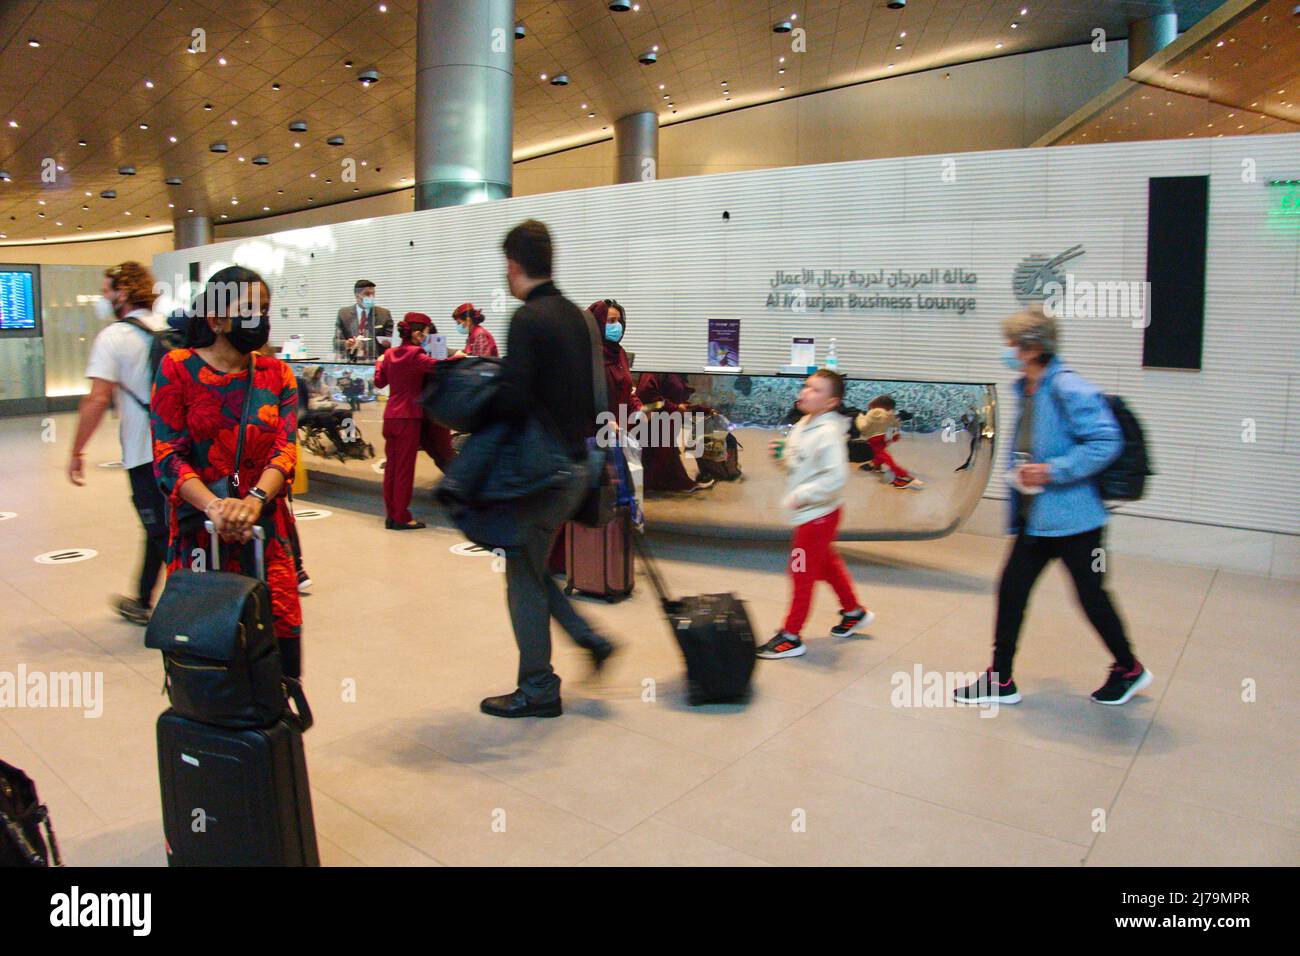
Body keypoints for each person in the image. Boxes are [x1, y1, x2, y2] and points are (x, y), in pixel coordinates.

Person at [953, 306, 1152, 706]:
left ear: (1030, 347)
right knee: (1011, 591)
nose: (1007, 350)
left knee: (1092, 595)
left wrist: (1052, 471)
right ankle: (1000, 678)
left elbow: (1105, 441)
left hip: (1078, 522)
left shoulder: (1068, 387)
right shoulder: (1027, 387)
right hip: (1036, 519)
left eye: (1012, 343)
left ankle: (1128, 667)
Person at [478, 219, 617, 719]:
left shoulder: (527, 319)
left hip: (541, 473)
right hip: (579, 465)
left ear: (513, 266)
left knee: (522, 575)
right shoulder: (580, 318)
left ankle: (538, 686)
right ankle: (589, 639)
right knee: (533, 566)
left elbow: (513, 402)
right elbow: (598, 397)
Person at [151, 266, 305, 680]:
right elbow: (168, 454)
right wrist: (216, 506)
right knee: (206, 661)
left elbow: (284, 450)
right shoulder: (177, 368)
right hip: (200, 533)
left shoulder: (278, 374)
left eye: (265, 309)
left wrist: (253, 502)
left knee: (278, 660)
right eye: (249, 309)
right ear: (217, 319)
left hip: (265, 530)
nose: (260, 318)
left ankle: (273, 739)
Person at [66, 262, 168, 625]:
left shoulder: (113, 337)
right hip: (181, 448)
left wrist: (77, 451)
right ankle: (142, 598)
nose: (104, 297)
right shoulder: (170, 328)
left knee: (159, 528)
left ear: (122, 293)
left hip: (143, 450)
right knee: (159, 525)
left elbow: (96, 399)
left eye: (107, 290)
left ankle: (201, 603)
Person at [757, 370, 873, 660]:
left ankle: (791, 636)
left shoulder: (828, 433)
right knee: (826, 564)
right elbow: (798, 464)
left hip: (818, 515)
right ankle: (854, 612)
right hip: (813, 514)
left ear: (831, 402)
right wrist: (782, 457)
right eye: (806, 386)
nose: (806, 392)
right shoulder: (804, 424)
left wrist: (802, 495)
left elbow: (836, 477)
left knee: (800, 572)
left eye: (816, 390)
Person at [374, 312, 438, 530]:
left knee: (391, 469)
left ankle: (391, 515)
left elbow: (379, 382)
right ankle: (402, 517)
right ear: (418, 333)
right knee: (404, 470)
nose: (428, 336)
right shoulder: (416, 354)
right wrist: (458, 357)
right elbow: (438, 368)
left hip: (390, 416)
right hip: (409, 418)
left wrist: (379, 362)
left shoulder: (390, 354)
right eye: (427, 332)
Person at [636, 371, 715, 493]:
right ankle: (675, 483)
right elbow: (646, 396)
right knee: (660, 455)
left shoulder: (674, 372)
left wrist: (704, 410)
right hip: (656, 423)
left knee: (660, 458)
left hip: (666, 424)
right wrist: (674, 407)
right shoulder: (654, 371)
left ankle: (661, 484)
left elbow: (676, 401)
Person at [856, 395, 924, 489]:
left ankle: (905, 477)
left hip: (874, 439)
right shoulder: (890, 415)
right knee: (880, 454)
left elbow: (863, 427)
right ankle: (876, 465)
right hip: (883, 438)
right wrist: (894, 436)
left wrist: (860, 418)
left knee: (886, 458)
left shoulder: (872, 413)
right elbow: (896, 425)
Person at [334, 279, 393, 361]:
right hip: (351, 363)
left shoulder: (384, 314)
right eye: (367, 294)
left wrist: (389, 343)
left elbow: (392, 341)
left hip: (377, 362)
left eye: (373, 294)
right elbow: (336, 342)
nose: (371, 297)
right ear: (357, 295)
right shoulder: (344, 314)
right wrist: (346, 343)